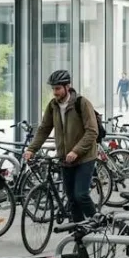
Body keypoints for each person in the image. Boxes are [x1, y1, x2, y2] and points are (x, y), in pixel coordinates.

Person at [24, 70, 100, 222]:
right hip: (65, 159)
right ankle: (78, 230)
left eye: (58, 88)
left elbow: (92, 131)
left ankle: (97, 222)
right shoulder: (53, 106)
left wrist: (76, 151)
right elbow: (44, 129)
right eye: (53, 89)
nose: (55, 92)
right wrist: (32, 149)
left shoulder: (82, 103)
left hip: (85, 157)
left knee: (81, 195)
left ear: (67, 87)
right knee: (71, 198)